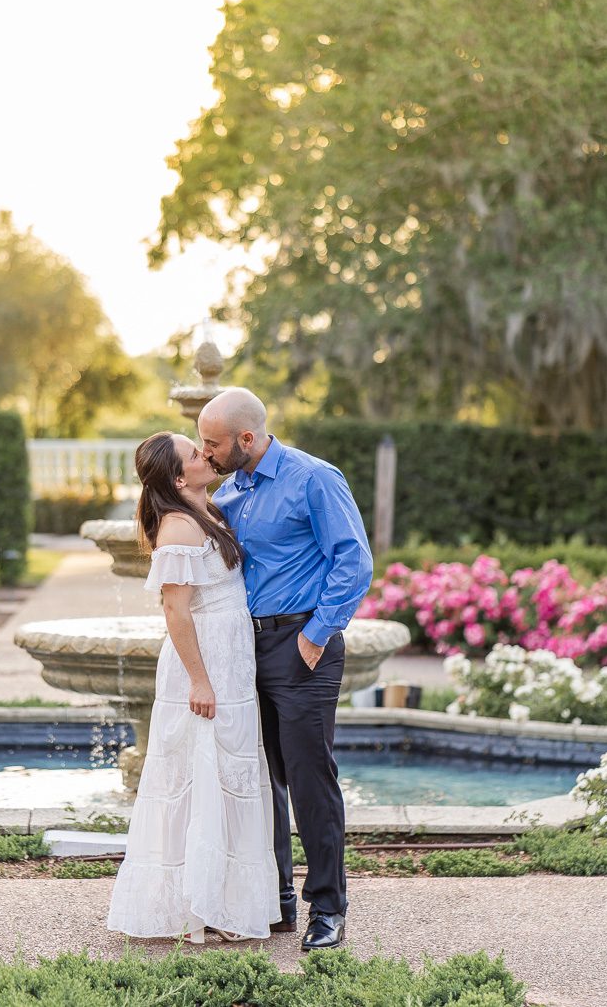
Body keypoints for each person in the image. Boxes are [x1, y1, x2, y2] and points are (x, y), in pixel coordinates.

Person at [198, 389, 372, 951]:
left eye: (213, 443)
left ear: (247, 439)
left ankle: (329, 910)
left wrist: (316, 636)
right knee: (260, 780)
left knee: (309, 781)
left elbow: (354, 559)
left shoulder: (314, 478)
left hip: (302, 648)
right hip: (245, 651)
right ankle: (276, 902)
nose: (208, 453)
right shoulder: (231, 491)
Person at [107, 431, 280, 943]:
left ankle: (223, 902)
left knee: (228, 772)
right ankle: (197, 907)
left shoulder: (210, 512)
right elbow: (175, 610)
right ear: (179, 478)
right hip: (202, 664)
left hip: (230, 659)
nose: (206, 454)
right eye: (193, 452)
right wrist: (200, 680)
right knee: (200, 776)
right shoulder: (179, 529)